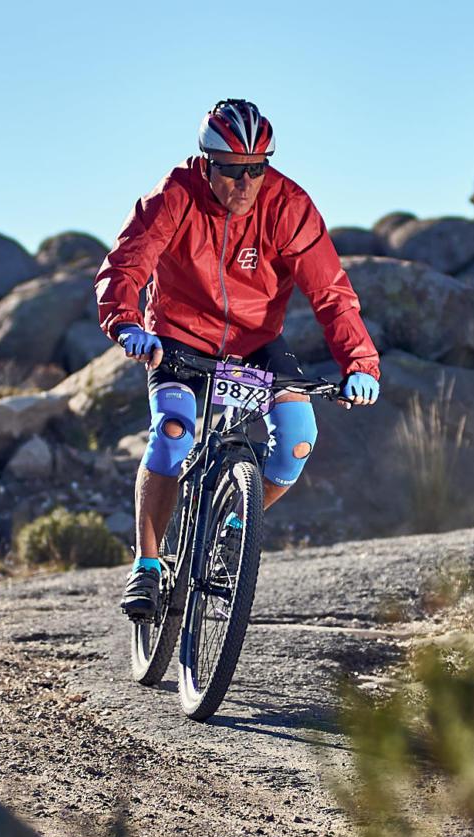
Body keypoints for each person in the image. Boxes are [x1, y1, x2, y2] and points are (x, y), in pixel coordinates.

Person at [93, 98, 381, 620]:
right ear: (207, 163)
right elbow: (127, 264)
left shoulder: (289, 205)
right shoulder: (175, 194)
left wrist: (359, 363)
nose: (244, 183)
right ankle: (148, 565)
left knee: (297, 440)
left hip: (255, 343)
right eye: (230, 171)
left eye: (256, 168)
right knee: (172, 433)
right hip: (178, 336)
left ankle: (233, 526)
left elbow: (332, 293)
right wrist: (127, 324)